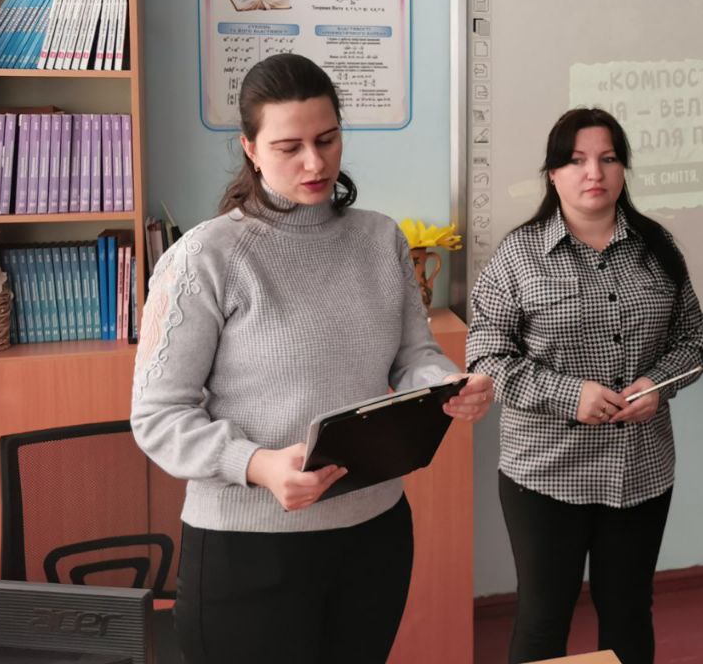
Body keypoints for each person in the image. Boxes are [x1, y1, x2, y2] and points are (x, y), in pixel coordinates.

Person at [131, 53, 492, 664]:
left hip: (374, 534)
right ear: (250, 149)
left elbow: (413, 356)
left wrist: (446, 384)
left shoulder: (379, 238)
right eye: (289, 147)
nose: (315, 163)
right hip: (247, 549)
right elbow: (157, 416)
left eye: (327, 139)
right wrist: (257, 465)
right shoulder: (205, 257)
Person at [467, 107, 703, 664]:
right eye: (576, 161)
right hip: (546, 474)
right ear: (553, 173)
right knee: (543, 617)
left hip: (641, 469)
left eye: (608, 158)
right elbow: (485, 356)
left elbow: (693, 342)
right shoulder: (518, 255)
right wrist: (568, 394)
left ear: (624, 169)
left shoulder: (658, 247)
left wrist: (658, 385)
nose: (593, 173)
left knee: (629, 611)